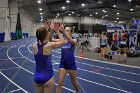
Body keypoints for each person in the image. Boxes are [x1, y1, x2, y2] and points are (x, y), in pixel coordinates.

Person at [32, 23, 65, 93]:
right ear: (46, 35)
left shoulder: (34, 45)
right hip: (48, 76)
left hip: (37, 76)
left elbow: (44, 38)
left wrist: (49, 30)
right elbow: (63, 42)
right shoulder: (49, 45)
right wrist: (58, 31)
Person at [56, 24, 80, 93]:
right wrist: (55, 30)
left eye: (67, 31)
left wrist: (63, 31)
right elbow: (50, 39)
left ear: (70, 32)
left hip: (71, 64)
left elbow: (72, 41)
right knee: (59, 83)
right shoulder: (62, 40)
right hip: (62, 63)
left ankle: (78, 91)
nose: (66, 32)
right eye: (65, 30)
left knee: (73, 81)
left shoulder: (74, 40)